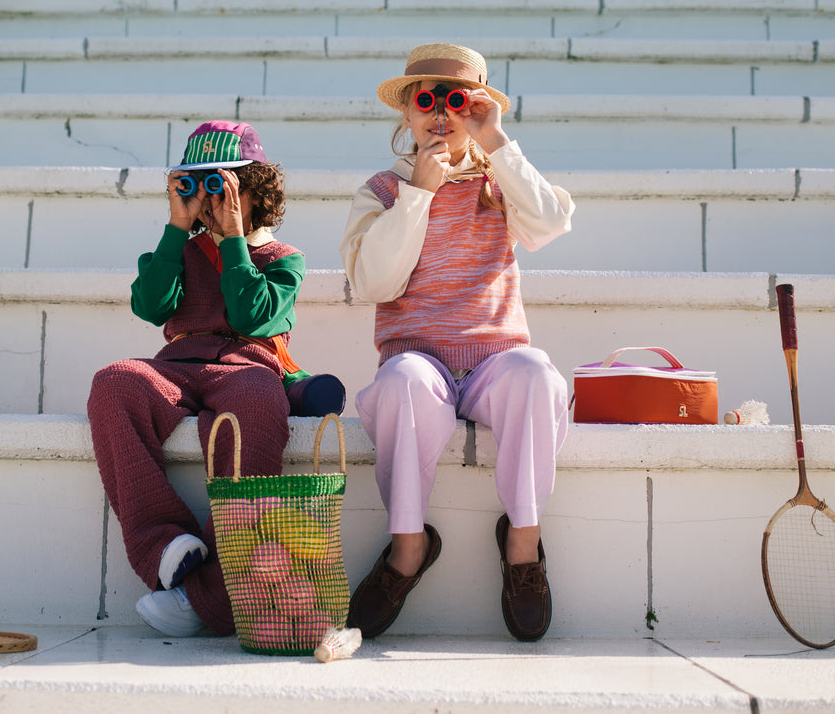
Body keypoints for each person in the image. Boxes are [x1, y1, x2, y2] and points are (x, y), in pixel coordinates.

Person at [340, 42, 575, 642]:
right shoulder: (383, 191)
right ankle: (409, 546)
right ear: (407, 115)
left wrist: (497, 144)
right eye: (426, 101)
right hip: (417, 359)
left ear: (477, 107)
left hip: (495, 360)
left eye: (457, 101)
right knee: (401, 385)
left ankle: (522, 543)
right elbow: (374, 281)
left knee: (538, 374)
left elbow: (549, 224)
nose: (440, 113)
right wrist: (418, 192)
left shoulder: (500, 181)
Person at [87, 120, 343, 638]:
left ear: (256, 191)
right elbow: (150, 305)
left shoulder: (284, 259)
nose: (210, 201)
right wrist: (178, 228)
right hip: (179, 364)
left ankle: (218, 593)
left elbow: (253, 317)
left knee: (257, 400)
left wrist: (232, 242)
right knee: (114, 381)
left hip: (249, 366)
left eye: (223, 186)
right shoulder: (179, 248)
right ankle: (164, 547)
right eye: (197, 185)